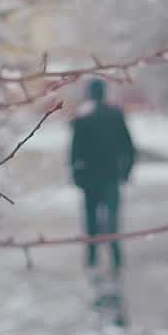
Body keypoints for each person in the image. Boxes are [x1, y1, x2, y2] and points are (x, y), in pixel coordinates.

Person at [69, 79, 136, 272]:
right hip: (111, 176)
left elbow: (75, 152)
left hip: (90, 178)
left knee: (91, 218)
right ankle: (115, 256)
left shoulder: (81, 118)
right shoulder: (115, 115)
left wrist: (76, 174)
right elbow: (129, 147)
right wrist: (126, 172)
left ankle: (92, 257)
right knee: (112, 218)